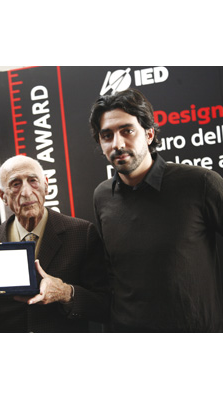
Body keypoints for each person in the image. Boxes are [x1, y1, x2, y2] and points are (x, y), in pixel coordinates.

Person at [90, 88, 223, 332]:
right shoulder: (102, 196)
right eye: (107, 135)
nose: (117, 144)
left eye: (127, 131)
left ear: (149, 134)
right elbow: (110, 276)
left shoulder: (201, 183)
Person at [0, 154, 109, 333]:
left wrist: (65, 292)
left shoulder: (82, 234)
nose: (26, 192)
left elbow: (104, 305)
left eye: (33, 181)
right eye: (16, 184)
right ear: (3, 196)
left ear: (46, 186)